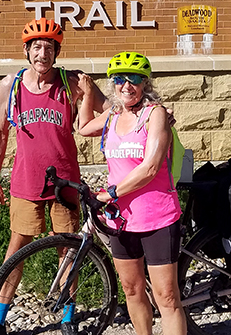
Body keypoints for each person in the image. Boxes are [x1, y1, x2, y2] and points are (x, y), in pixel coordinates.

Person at [0, 17, 108, 335]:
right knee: (16, 250)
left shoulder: (72, 83)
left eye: (50, 47)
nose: (43, 53)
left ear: (57, 52)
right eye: (37, 47)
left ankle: (68, 316)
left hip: (65, 182)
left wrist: (151, 111)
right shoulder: (10, 85)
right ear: (27, 51)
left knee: (68, 251)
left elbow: (112, 109)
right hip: (26, 181)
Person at [78, 51, 186, 335]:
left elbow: (150, 168)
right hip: (120, 220)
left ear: (145, 83)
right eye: (119, 79)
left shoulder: (156, 114)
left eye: (134, 78)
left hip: (157, 218)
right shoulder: (113, 115)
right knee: (132, 289)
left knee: (166, 297)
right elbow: (83, 127)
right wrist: (88, 92)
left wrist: (109, 193)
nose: (126, 85)